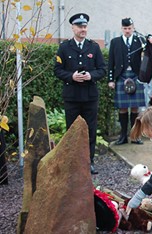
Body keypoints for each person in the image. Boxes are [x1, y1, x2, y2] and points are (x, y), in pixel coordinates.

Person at [54, 13, 106, 175]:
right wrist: (71, 76)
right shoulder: (64, 47)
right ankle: (73, 163)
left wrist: (91, 76)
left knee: (90, 130)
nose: (83, 29)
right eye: (80, 26)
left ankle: (88, 162)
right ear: (73, 28)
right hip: (72, 97)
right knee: (72, 131)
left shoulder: (94, 47)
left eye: (85, 26)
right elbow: (57, 70)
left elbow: (102, 69)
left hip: (90, 97)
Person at [108, 17, 149, 145]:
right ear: (121, 28)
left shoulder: (139, 41)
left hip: (136, 76)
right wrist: (111, 79)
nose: (127, 31)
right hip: (121, 76)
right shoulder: (115, 42)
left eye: (129, 28)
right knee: (123, 108)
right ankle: (123, 136)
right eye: (125, 28)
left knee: (136, 108)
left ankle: (135, 136)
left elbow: (149, 54)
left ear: (133, 28)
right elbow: (111, 62)